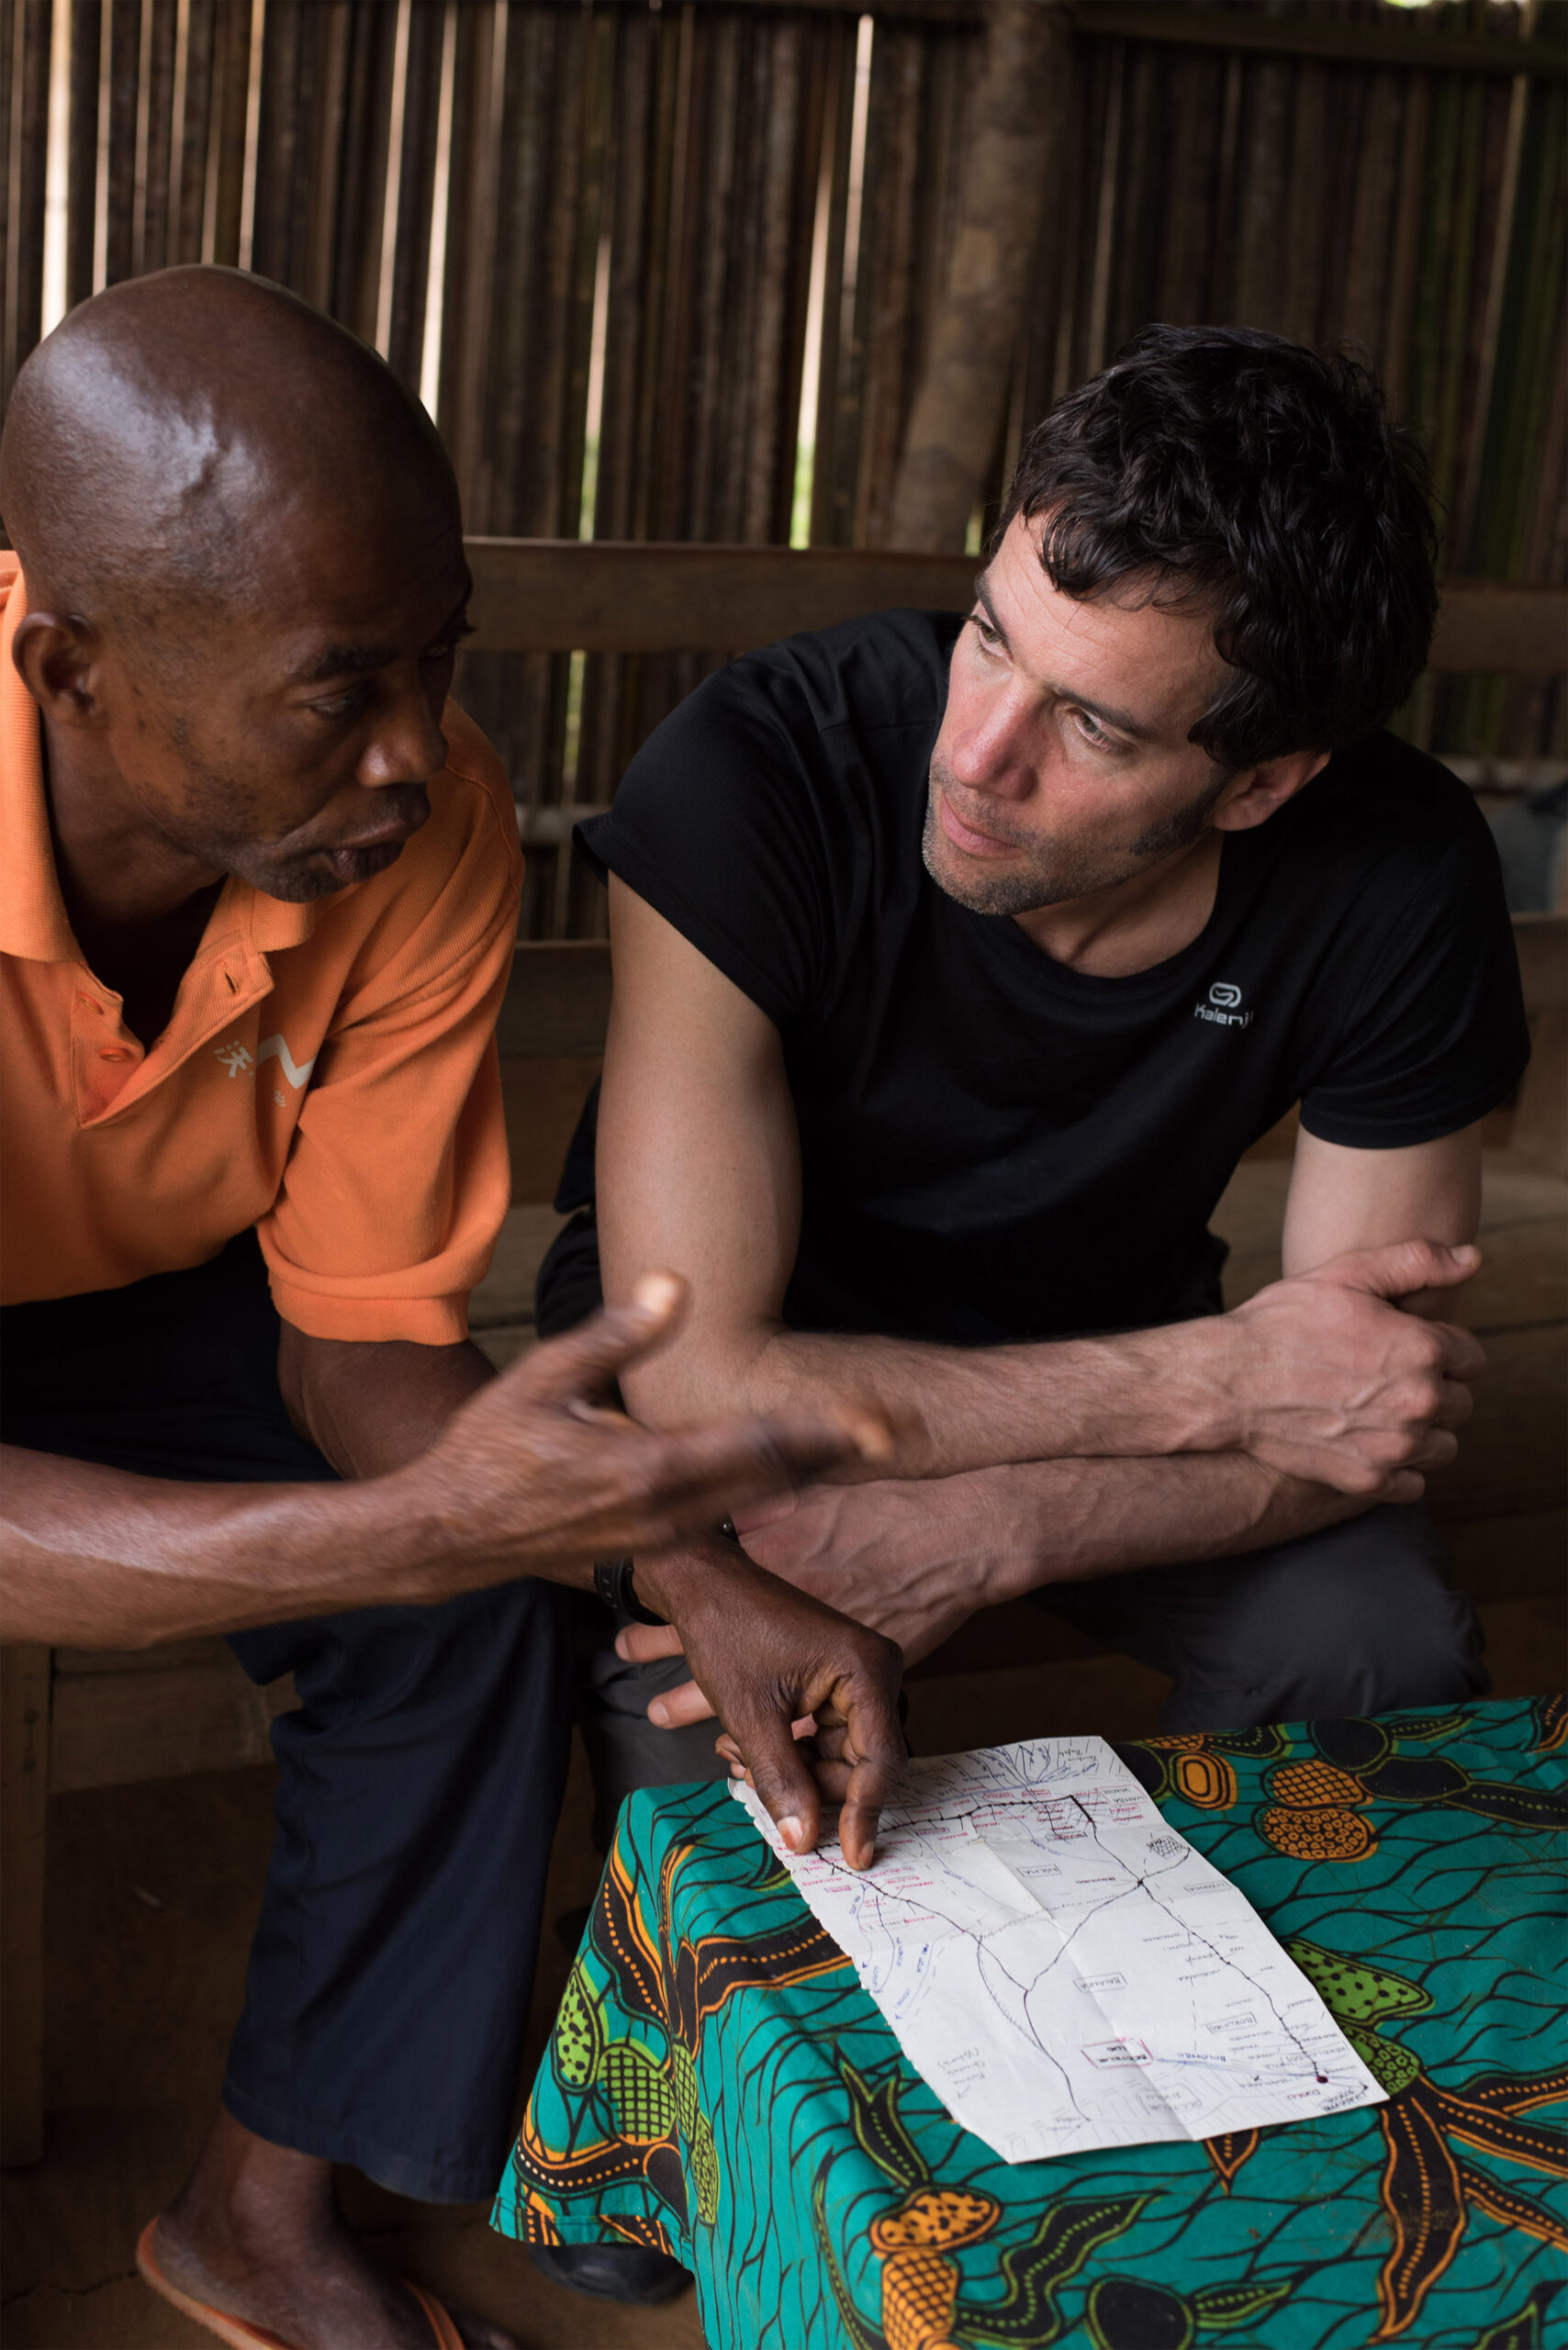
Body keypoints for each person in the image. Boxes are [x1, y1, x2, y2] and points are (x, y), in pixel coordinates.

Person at [0, 266, 904, 2349]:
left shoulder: (413, 831)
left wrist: (692, 1573)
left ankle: (260, 2207)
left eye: (441, 660)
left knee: (478, 1608)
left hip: (152, 1286)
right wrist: (383, 1530)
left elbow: (359, 1334)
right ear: (72, 662)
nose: (418, 751)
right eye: (343, 686)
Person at [541, 325, 1526, 1804]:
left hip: (1110, 1402)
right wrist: (1217, 1376)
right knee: (723, 1756)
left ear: (1259, 783)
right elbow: (705, 1379)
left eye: (1091, 725)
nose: (979, 755)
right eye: (993, 636)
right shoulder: (763, 768)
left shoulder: (1396, 871)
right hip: (754, 1388)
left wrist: (998, 1524)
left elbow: (1360, 1407)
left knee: (1371, 1641)